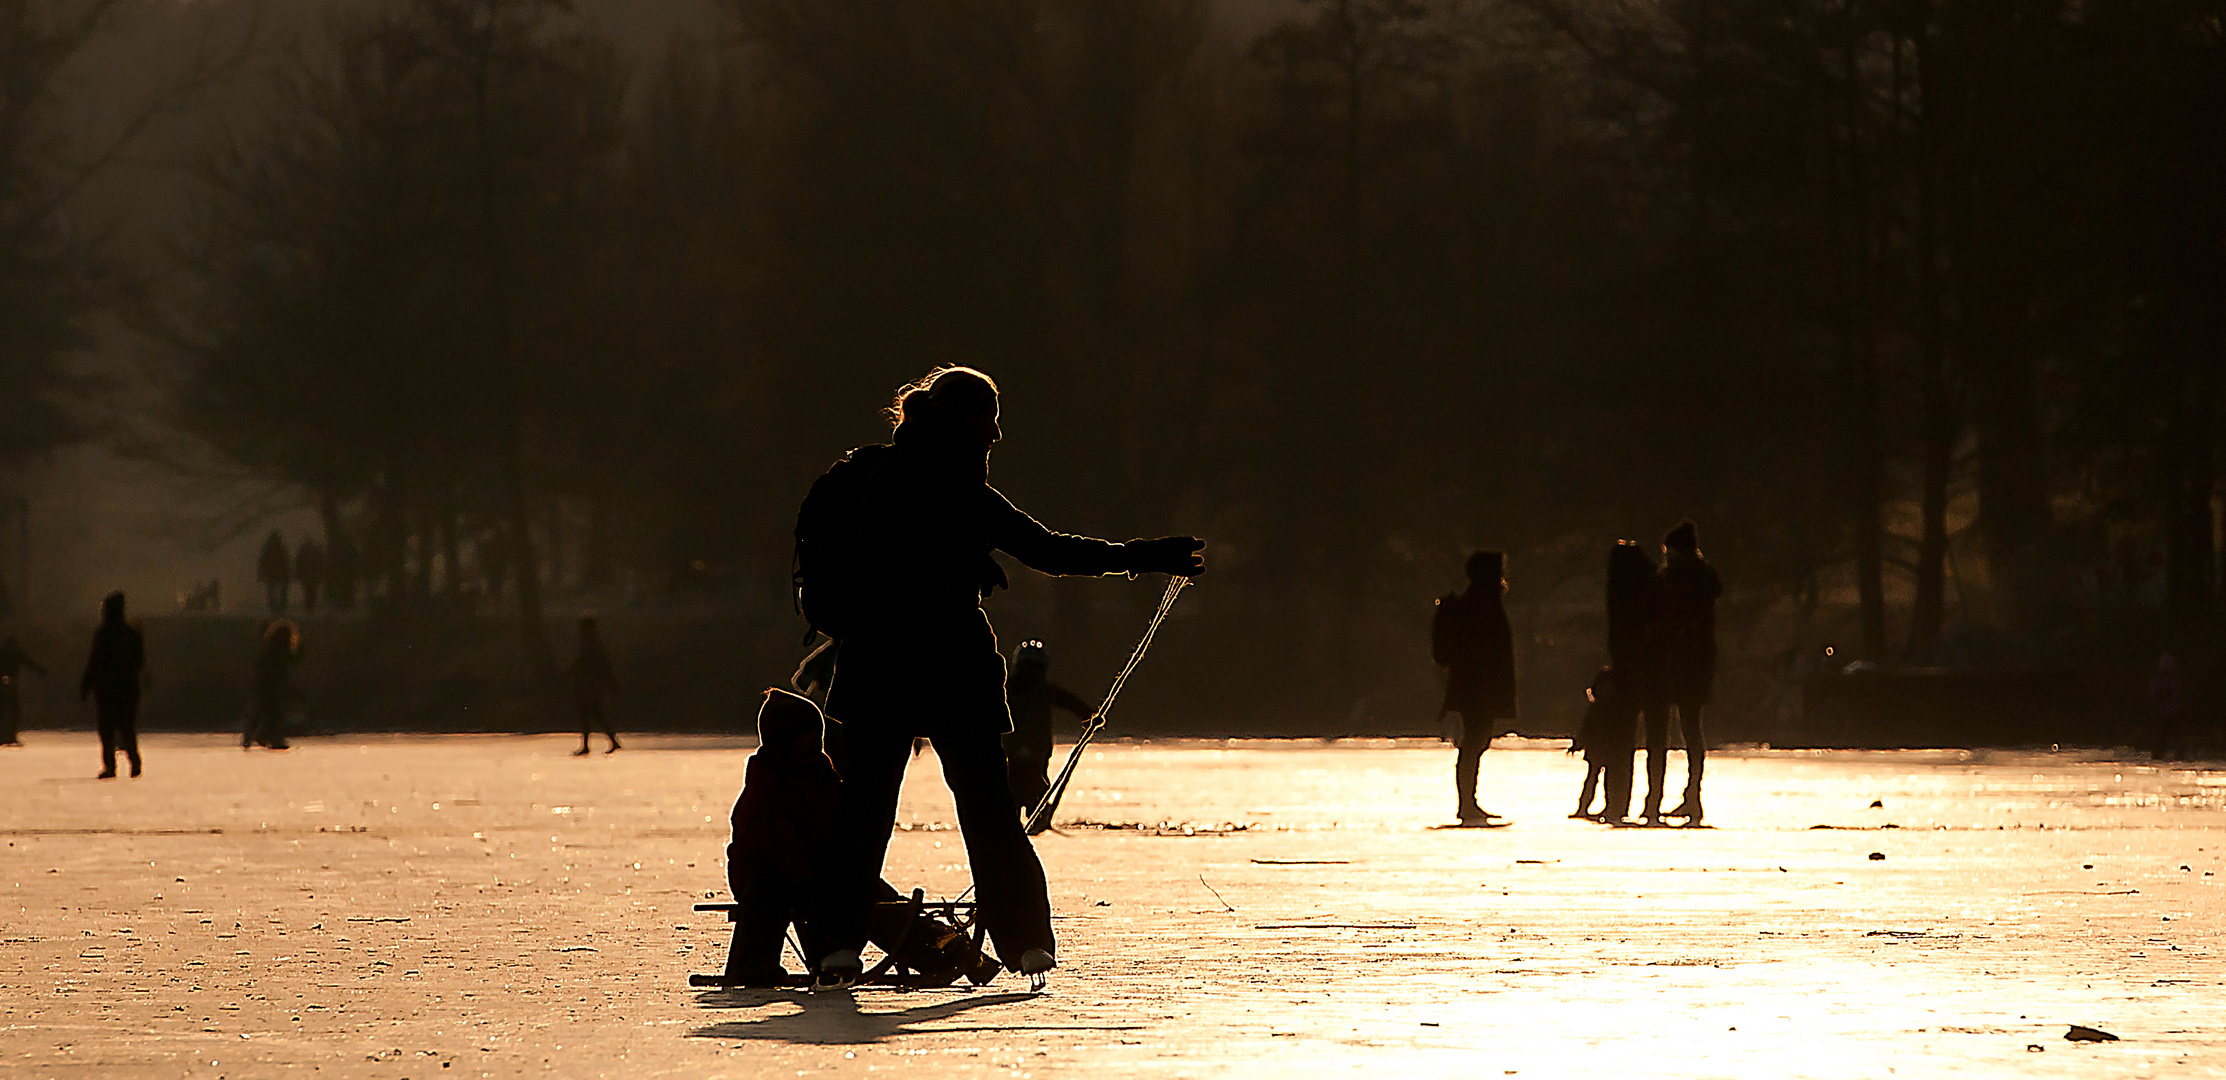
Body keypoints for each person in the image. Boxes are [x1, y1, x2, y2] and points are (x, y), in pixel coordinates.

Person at [802, 366, 1204, 989]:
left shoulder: (887, 478)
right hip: (945, 666)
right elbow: (1050, 551)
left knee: (867, 809)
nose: (995, 434)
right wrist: (1145, 557)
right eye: (988, 420)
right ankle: (1022, 941)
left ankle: (836, 945)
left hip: (880, 664)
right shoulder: (950, 487)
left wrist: (1145, 557)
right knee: (985, 811)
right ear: (962, 421)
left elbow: (1037, 552)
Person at [1646, 519, 1722, 824]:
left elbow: (1674, 619)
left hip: (1677, 660)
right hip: (1696, 661)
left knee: (1673, 730)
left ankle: (1669, 799)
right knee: (1692, 729)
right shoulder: (1700, 578)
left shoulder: (1677, 579)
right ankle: (1692, 796)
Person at [1434, 550, 1517, 825]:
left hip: (1476, 687)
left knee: (1476, 742)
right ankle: (1467, 803)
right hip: (1478, 688)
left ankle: (1468, 802)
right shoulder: (1482, 602)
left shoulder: (1481, 600)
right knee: (1474, 742)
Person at [1606, 539, 1664, 823]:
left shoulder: (1617, 590)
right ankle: (1652, 803)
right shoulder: (1655, 587)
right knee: (1656, 740)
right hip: (1656, 670)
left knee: (1621, 739)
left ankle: (1616, 803)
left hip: (1626, 671)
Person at [1003, 641, 1093, 818]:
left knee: (1017, 783)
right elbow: (1069, 701)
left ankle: (1028, 811)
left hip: (1018, 748)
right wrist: (1088, 716)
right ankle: (1034, 811)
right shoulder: (1040, 689)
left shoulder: (1006, 689)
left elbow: (1069, 701)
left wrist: (1089, 717)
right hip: (1029, 748)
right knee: (1033, 782)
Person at [80, 591, 147, 779]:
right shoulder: (132, 634)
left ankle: (111, 766)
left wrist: (86, 685)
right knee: (126, 727)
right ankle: (134, 762)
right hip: (127, 687)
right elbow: (140, 661)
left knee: (107, 729)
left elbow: (94, 662)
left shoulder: (103, 634)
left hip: (107, 688)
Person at [565, 615, 620, 756]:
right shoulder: (595, 642)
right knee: (595, 713)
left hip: (588, 683)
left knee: (587, 713)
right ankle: (610, 741)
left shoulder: (590, 643)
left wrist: (568, 673)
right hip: (593, 683)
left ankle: (588, 745)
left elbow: (583, 661)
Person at [243, 620, 301, 750]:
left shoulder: (268, 649)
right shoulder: (281, 650)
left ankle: (253, 737)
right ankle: (271, 738)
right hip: (273, 685)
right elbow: (293, 661)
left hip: (264, 685)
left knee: (263, 711)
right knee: (274, 712)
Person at [0, 633, 47, 745]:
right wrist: (41, 670)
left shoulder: (3, 651)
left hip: (4, 682)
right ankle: (9, 735)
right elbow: (28, 661)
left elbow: (28, 661)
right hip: (11, 682)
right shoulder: (16, 651)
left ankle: (6, 735)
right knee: (13, 710)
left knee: (7, 709)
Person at [2151, 653, 2185, 762]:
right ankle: (2163, 755)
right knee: (2164, 738)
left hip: (2169, 714)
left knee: (2166, 738)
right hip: (2166, 714)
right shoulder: (2171, 681)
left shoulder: (2169, 681)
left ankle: (2175, 754)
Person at [257, 530, 291, 614]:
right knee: (281, 590)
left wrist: (261, 573)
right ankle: (281, 607)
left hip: (271, 573)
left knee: (271, 591)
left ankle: (274, 607)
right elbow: (286, 561)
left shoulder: (268, 549)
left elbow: (262, 562)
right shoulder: (281, 548)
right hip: (279, 573)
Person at [295, 538, 326, 616]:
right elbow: (320, 563)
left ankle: (308, 606)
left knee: (308, 591)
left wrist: (298, 574)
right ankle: (311, 605)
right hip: (313, 576)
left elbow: (298, 564)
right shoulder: (316, 552)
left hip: (307, 576)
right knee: (312, 591)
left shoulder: (302, 552)